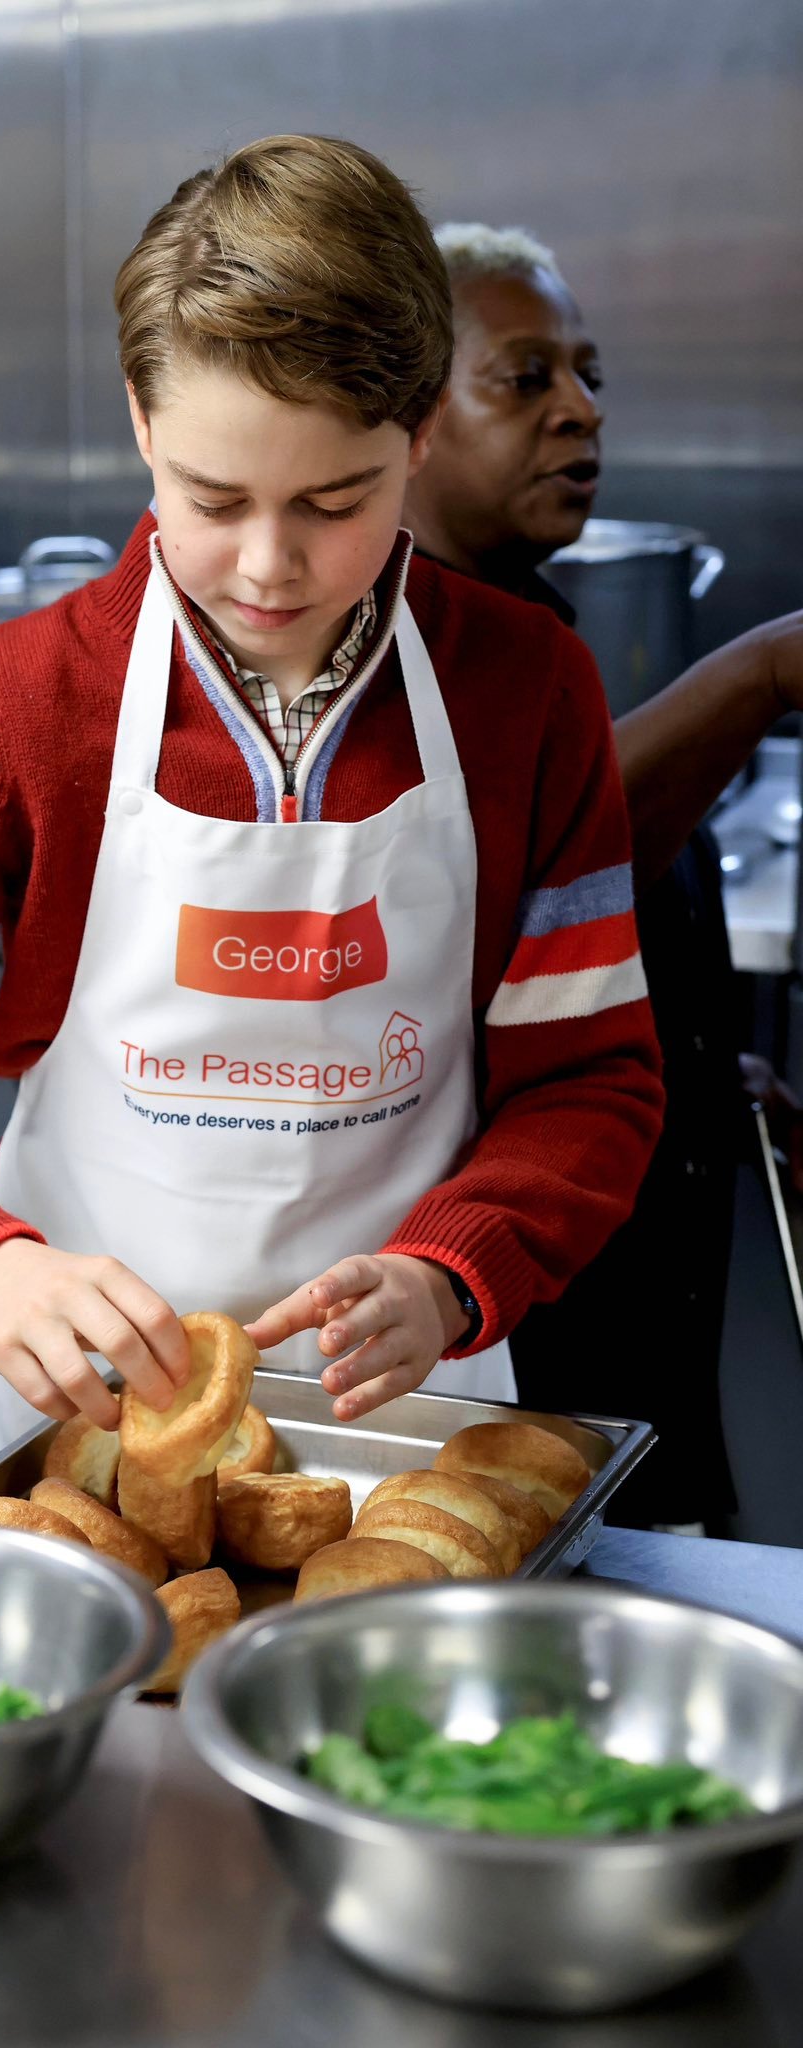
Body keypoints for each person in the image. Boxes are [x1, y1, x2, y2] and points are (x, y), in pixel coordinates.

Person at [0, 138, 663, 1457]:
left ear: (421, 434)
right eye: (213, 499)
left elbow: (596, 1083)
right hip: (75, 1429)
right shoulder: (24, 706)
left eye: (336, 501)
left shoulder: (528, 695)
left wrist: (453, 1273)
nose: (270, 567)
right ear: (143, 421)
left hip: (399, 1421)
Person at [406, 223, 803, 1529]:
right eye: (524, 378)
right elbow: (540, 860)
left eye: (587, 374)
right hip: (514, 1329)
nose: (580, 411)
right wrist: (764, 673)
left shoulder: (537, 639)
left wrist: (698, 1067)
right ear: (405, 413)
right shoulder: (383, 654)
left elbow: (585, 941)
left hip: (641, 1291)